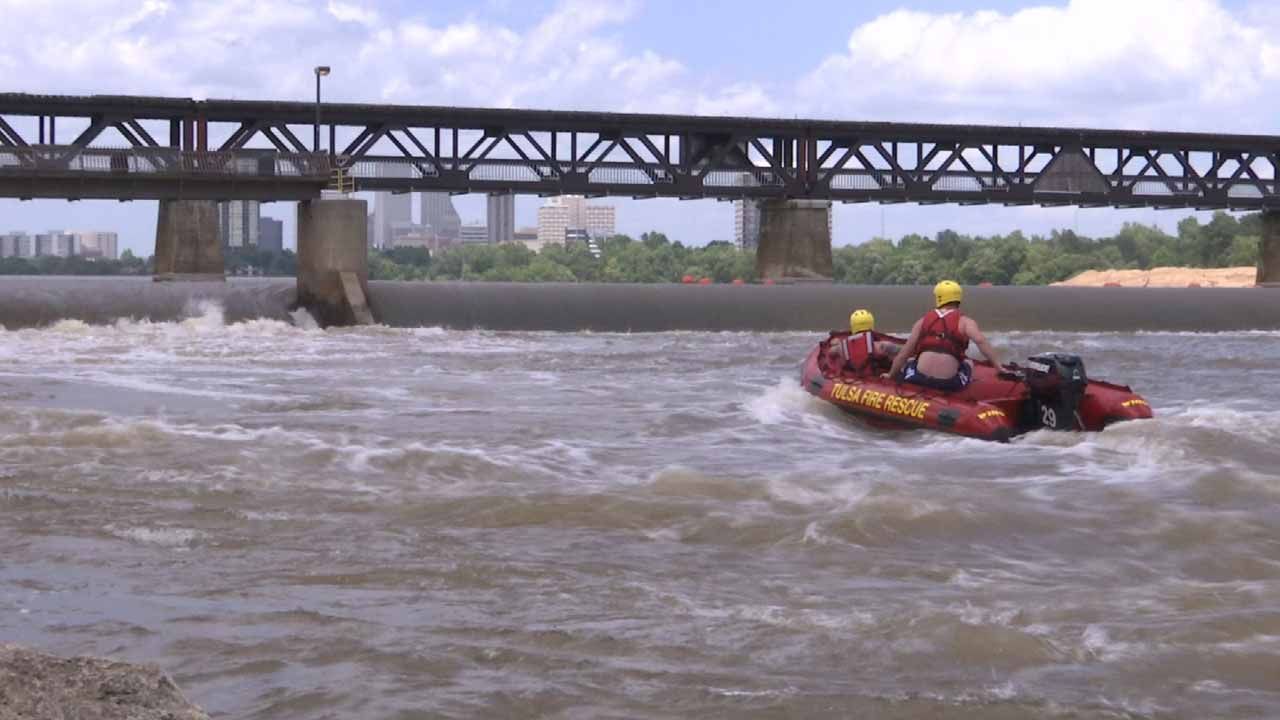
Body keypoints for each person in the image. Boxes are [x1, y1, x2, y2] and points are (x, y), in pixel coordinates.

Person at [882, 280, 1000, 391]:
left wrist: (890, 375)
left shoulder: (923, 321)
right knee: (969, 362)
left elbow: (904, 353)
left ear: (939, 298)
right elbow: (981, 341)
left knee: (911, 360)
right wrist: (998, 367)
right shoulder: (965, 322)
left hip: (917, 378)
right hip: (948, 384)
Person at [837, 309, 900, 374]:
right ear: (871, 324)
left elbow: (831, 353)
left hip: (854, 379)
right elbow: (903, 353)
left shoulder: (841, 347)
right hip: (876, 379)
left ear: (852, 325)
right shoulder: (882, 346)